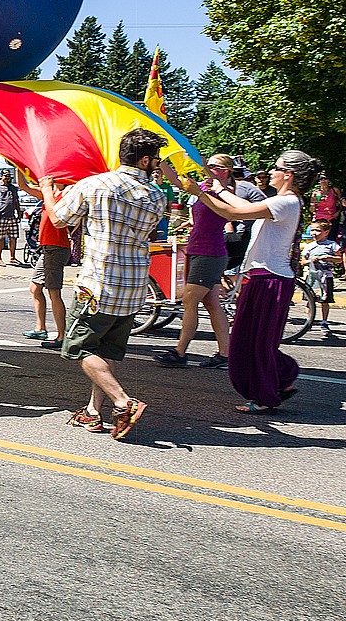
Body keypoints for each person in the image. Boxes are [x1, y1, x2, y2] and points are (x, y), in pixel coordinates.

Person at [165, 149, 320, 414]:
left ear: (288, 175)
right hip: (262, 277)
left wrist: (202, 193)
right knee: (252, 340)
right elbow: (234, 205)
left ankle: (265, 396)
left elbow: (236, 213)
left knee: (255, 342)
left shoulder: (287, 202)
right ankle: (281, 378)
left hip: (271, 280)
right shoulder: (282, 200)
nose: (271, 171)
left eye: (276, 167)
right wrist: (215, 186)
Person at [39, 129, 167, 439]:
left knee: (80, 349)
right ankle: (93, 412)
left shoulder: (95, 185)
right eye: (156, 160)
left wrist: (46, 190)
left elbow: (58, 220)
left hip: (98, 284)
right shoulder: (156, 195)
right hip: (134, 286)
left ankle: (123, 402)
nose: (158, 165)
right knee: (106, 351)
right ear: (146, 160)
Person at [155, 154, 235, 369]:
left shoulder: (225, 194)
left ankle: (180, 352)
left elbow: (225, 212)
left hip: (209, 253)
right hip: (201, 251)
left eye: (213, 166)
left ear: (225, 171)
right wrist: (161, 158)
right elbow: (176, 180)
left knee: (189, 301)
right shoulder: (204, 188)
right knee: (212, 303)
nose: (207, 169)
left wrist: (202, 190)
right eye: (206, 165)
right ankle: (225, 353)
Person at [17, 175, 70, 349]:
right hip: (47, 247)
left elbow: (58, 217)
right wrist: (16, 165)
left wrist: (48, 190)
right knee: (35, 288)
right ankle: (41, 328)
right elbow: (23, 186)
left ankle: (62, 336)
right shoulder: (49, 193)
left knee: (54, 292)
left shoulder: (66, 194)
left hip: (56, 246)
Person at [301, 220, 342, 332]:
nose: (314, 233)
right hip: (312, 276)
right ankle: (309, 320)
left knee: (325, 300)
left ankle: (324, 321)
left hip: (326, 276)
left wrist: (329, 258)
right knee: (310, 300)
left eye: (318, 230)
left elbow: (339, 259)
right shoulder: (309, 246)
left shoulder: (332, 245)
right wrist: (310, 260)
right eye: (312, 230)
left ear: (326, 232)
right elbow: (303, 262)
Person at [0, 168, 22, 267]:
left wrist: (19, 212)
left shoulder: (13, 188)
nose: (7, 178)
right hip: (1, 216)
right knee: (0, 238)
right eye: (5, 176)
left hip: (12, 216)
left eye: (8, 176)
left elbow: (16, 201)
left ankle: (12, 257)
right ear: (1, 176)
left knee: (13, 237)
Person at [310, 173, 341, 241]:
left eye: (325, 178)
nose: (323, 181)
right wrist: (314, 205)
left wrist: (338, 212)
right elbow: (312, 210)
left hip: (332, 217)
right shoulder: (316, 193)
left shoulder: (334, 190)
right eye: (321, 179)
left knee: (331, 239)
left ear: (328, 180)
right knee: (318, 238)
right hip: (318, 218)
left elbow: (341, 203)